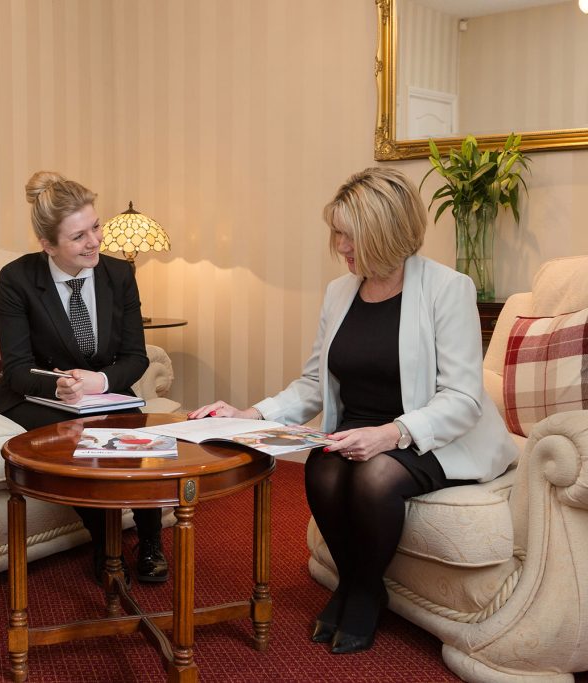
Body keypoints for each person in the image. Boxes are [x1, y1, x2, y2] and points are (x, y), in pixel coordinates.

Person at [190, 167, 517, 654]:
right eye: (337, 233)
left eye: (349, 235)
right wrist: (250, 414)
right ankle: (356, 581)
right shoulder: (339, 292)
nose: (339, 245)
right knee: (322, 467)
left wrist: (391, 434)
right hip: (359, 429)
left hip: (434, 433)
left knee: (373, 477)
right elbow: (312, 384)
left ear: (384, 233)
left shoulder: (448, 289)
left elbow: (464, 398)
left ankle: (362, 592)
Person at [0, 171, 169, 585]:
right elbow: (16, 368)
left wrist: (101, 383)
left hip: (103, 392)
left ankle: (150, 541)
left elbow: (135, 356)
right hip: (35, 396)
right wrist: (56, 384)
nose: (94, 241)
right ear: (47, 245)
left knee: (136, 433)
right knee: (80, 440)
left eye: (95, 227)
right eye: (78, 236)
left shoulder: (118, 274)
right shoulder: (17, 279)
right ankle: (106, 545)